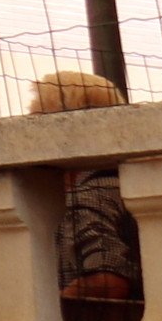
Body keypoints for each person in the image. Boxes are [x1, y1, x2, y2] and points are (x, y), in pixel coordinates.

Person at [31, 69, 138, 299]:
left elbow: (107, 283)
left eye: (35, 120)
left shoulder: (88, 197)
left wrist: (47, 315)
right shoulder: (139, 183)